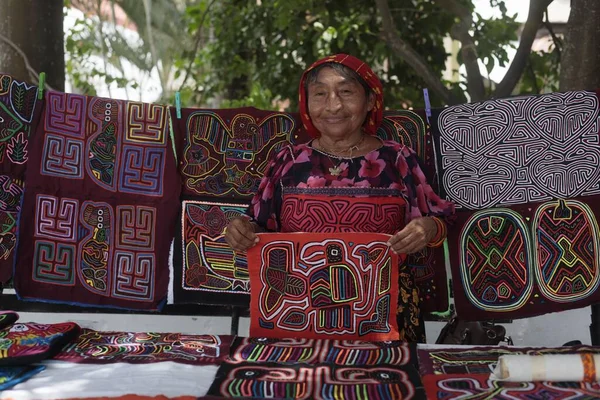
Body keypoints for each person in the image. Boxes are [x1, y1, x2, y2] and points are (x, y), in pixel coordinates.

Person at [224, 54, 455, 342]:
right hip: (297, 321)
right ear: (306, 102)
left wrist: (428, 228)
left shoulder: (398, 159)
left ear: (370, 100)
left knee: (388, 388)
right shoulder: (289, 161)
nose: (333, 105)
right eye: (320, 94)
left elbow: (441, 221)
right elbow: (257, 226)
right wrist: (241, 230)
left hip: (387, 319)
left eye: (346, 92)